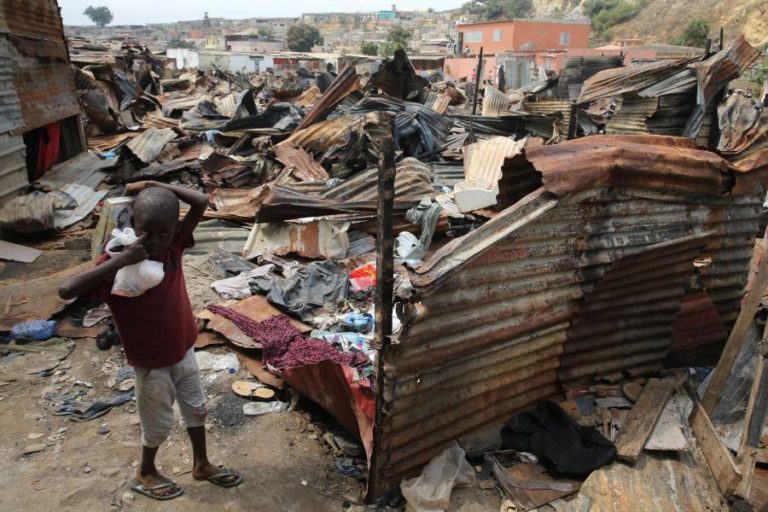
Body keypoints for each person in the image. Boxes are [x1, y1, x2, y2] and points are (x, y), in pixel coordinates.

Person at [59, 181, 242, 501]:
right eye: (146, 231)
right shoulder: (118, 263)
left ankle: (202, 463)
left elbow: (200, 200)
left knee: (196, 409)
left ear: (174, 231)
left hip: (184, 349)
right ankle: (146, 471)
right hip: (150, 362)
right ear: (132, 223)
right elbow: (66, 291)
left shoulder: (174, 246)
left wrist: (152, 184)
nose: (154, 240)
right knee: (157, 422)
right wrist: (120, 260)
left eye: (163, 232)